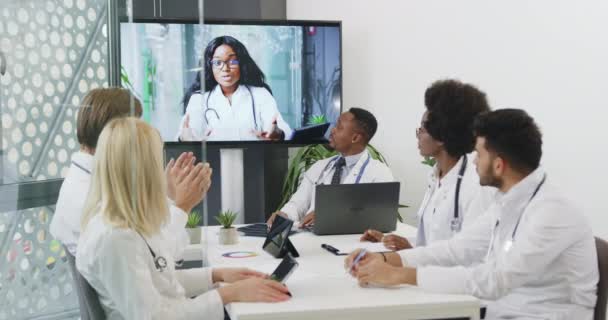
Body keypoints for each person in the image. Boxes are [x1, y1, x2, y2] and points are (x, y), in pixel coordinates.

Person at [345, 109, 598, 319]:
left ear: (499, 164)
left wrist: (402, 275)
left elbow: (496, 279)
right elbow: (457, 248)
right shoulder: (507, 201)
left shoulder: (552, 212)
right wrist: (387, 260)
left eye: (479, 154)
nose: (474, 161)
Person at [77, 118, 291, 319]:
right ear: (143, 171)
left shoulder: (123, 222)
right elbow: (155, 317)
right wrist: (229, 294)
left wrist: (217, 275)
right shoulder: (115, 238)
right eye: (156, 161)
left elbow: (161, 280)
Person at [49, 88, 195, 260]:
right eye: (135, 129)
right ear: (114, 132)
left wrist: (167, 196)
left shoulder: (83, 180)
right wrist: (182, 206)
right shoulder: (99, 200)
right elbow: (160, 258)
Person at [361, 79, 493, 250]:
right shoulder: (437, 176)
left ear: (441, 137)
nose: (418, 135)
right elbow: (434, 242)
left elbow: (472, 256)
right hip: (429, 272)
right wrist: (397, 243)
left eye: (422, 128)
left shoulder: (476, 187)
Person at [267, 107, 394, 228]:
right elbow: (298, 204)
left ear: (355, 138)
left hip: (350, 244)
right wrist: (284, 215)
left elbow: (376, 219)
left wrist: (330, 217)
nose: (332, 130)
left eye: (339, 127)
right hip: (311, 238)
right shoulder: (319, 166)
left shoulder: (380, 174)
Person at [177, 36, 292, 141]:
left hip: (254, 159)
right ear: (210, 66)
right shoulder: (198, 99)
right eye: (217, 62)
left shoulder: (260, 94)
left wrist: (277, 133)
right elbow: (186, 134)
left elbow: (284, 130)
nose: (225, 68)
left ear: (241, 64)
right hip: (211, 162)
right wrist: (185, 138)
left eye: (232, 61)